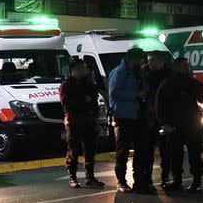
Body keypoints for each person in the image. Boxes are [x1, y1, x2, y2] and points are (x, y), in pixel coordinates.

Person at [155, 57, 203, 193]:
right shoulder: (169, 84)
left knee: (192, 154)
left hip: (189, 125)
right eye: (184, 66)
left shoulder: (187, 83)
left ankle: (193, 181)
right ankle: (181, 181)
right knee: (177, 154)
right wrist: (164, 123)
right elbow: (159, 105)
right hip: (178, 125)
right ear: (177, 67)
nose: (187, 68)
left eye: (187, 66)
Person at [108, 47, 153, 194]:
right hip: (124, 116)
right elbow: (114, 93)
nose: (142, 63)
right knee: (123, 150)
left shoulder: (138, 73)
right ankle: (121, 181)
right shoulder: (119, 73)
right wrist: (135, 94)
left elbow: (145, 87)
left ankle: (139, 181)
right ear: (133, 59)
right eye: (141, 60)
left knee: (141, 150)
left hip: (139, 116)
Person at [60, 59, 104, 189]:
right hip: (74, 122)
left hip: (89, 121)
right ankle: (72, 177)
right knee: (73, 150)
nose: (86, 70)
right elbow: (66, 102)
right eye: (83, 68)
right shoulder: (67, 85)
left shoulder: (88, 84)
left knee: (90, 150)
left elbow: (94, 100)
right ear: (76, 69)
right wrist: (84, 100)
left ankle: (90, 177)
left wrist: (95, 117)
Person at [143, 51, 173, 188]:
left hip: (164, 118)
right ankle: (147, 178)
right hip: (150, 118)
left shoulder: (169, 76)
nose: (150, 63)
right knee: (148, 150)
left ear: (161, 61)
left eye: (153, 60)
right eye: (148, 60)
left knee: (165, 149)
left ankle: (165, 176)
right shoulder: (146, 75)